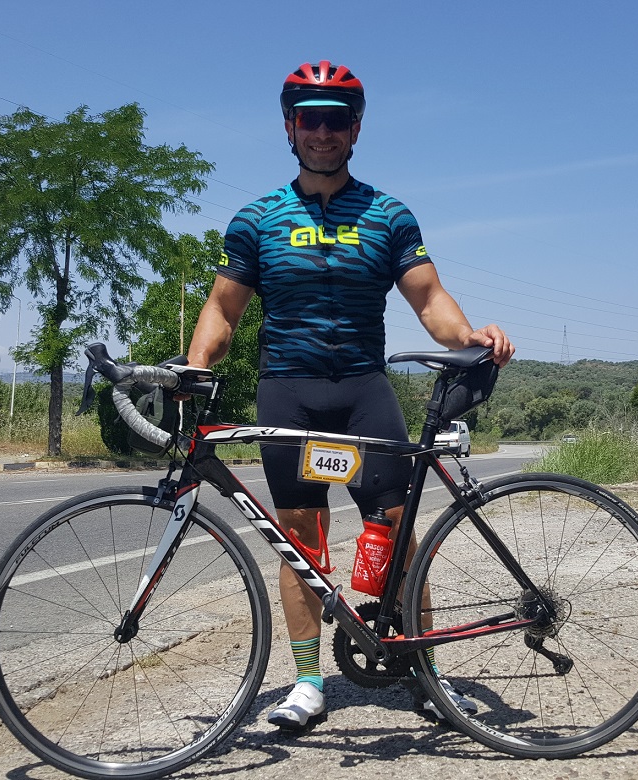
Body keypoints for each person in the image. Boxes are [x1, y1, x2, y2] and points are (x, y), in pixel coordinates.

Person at [185, 60, 514, 730]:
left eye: (337, 120)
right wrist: (194, 369)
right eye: (310, 119)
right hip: (289, 392)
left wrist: (468, 334)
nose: (323, 132)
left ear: (356, 129)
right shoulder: (256, 220)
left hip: (364, 391)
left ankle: (424, 670)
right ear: (289, 126)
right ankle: (308, 683)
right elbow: (222, 310)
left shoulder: (388, 215)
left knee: (397, 531)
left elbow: (428, 297)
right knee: (299, 539)